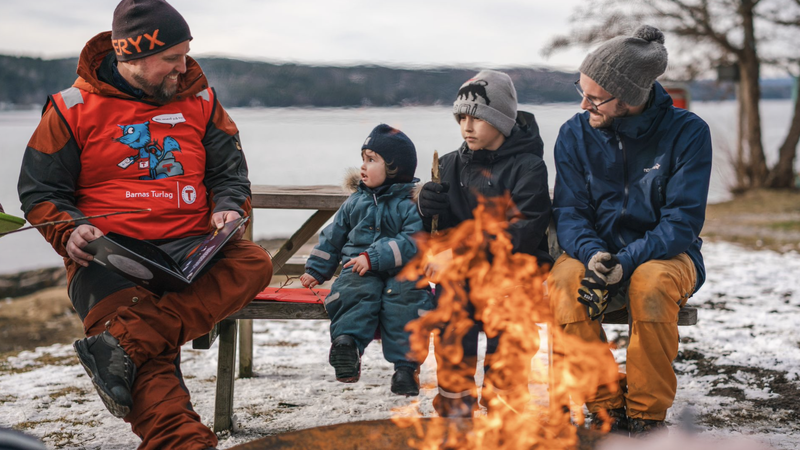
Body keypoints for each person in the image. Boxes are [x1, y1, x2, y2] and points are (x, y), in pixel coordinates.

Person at [17, 1, 272, 449]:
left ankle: (123, 343)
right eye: (171, 58)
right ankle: (181, 440)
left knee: (253, 262)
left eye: (185, 53)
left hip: (193, 249)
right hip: (110, 258)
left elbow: (230, 174)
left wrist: (229, 206)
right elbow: (41, 193)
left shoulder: (204, 101)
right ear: (130, 57)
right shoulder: (70, 108)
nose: (183, 66)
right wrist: (69, 229)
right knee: (146, 354)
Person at [548, 25, 712, 437]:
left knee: (651, 285)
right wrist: (592, 255)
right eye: (580, 90)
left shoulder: (688, 133)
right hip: (593, 252)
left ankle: (645, 415)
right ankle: (603, 405)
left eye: (595, 97)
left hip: (669, 255)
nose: (584, 104)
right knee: (565, 283)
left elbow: (682, 220)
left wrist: (626, 262)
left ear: (630, 97)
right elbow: (569, 211)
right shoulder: (574, 133)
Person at [416, 69, 553, 417]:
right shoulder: (448, 165)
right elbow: (437, 234)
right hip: (462, 275)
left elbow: (521, 233)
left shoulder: (529, 167)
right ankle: (454, 400)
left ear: (502, 120)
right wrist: (425, 206)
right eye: (461, 117)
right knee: (451, 312)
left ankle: (504, 398)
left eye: (477, 117)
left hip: (515, 271)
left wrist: (458, 255)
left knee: (507, 316)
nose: (467, 126)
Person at [300, 124, 433, 396]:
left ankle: (406, 368)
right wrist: (317, 269)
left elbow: (413, 242)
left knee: (406, 298)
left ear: (395, 168)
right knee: (353, 292)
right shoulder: (354, 202)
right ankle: (346, 346)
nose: (363, 166)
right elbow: (333, 236)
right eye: (363, 159)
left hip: (402, 272)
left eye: (371, 160)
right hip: (357, 270)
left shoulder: (408, 205)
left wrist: (373, 257)